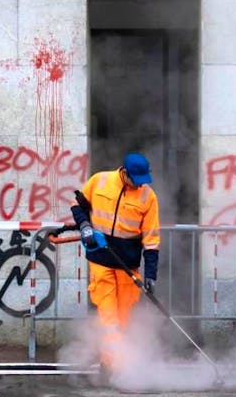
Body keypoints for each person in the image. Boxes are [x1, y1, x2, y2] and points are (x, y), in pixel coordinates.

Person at [69, 152, 160, 373]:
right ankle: (113, 365)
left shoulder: (148, 197)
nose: (139, 185)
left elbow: (151, 239)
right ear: (125, 173)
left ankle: (118, 358)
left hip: (128, 265)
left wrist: (150, 274)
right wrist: (84, 226)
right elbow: (77, 205)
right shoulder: (100, 181)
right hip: (100, 260)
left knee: (124, 317)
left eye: (143, 181)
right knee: (108, 316)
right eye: (135, 181)